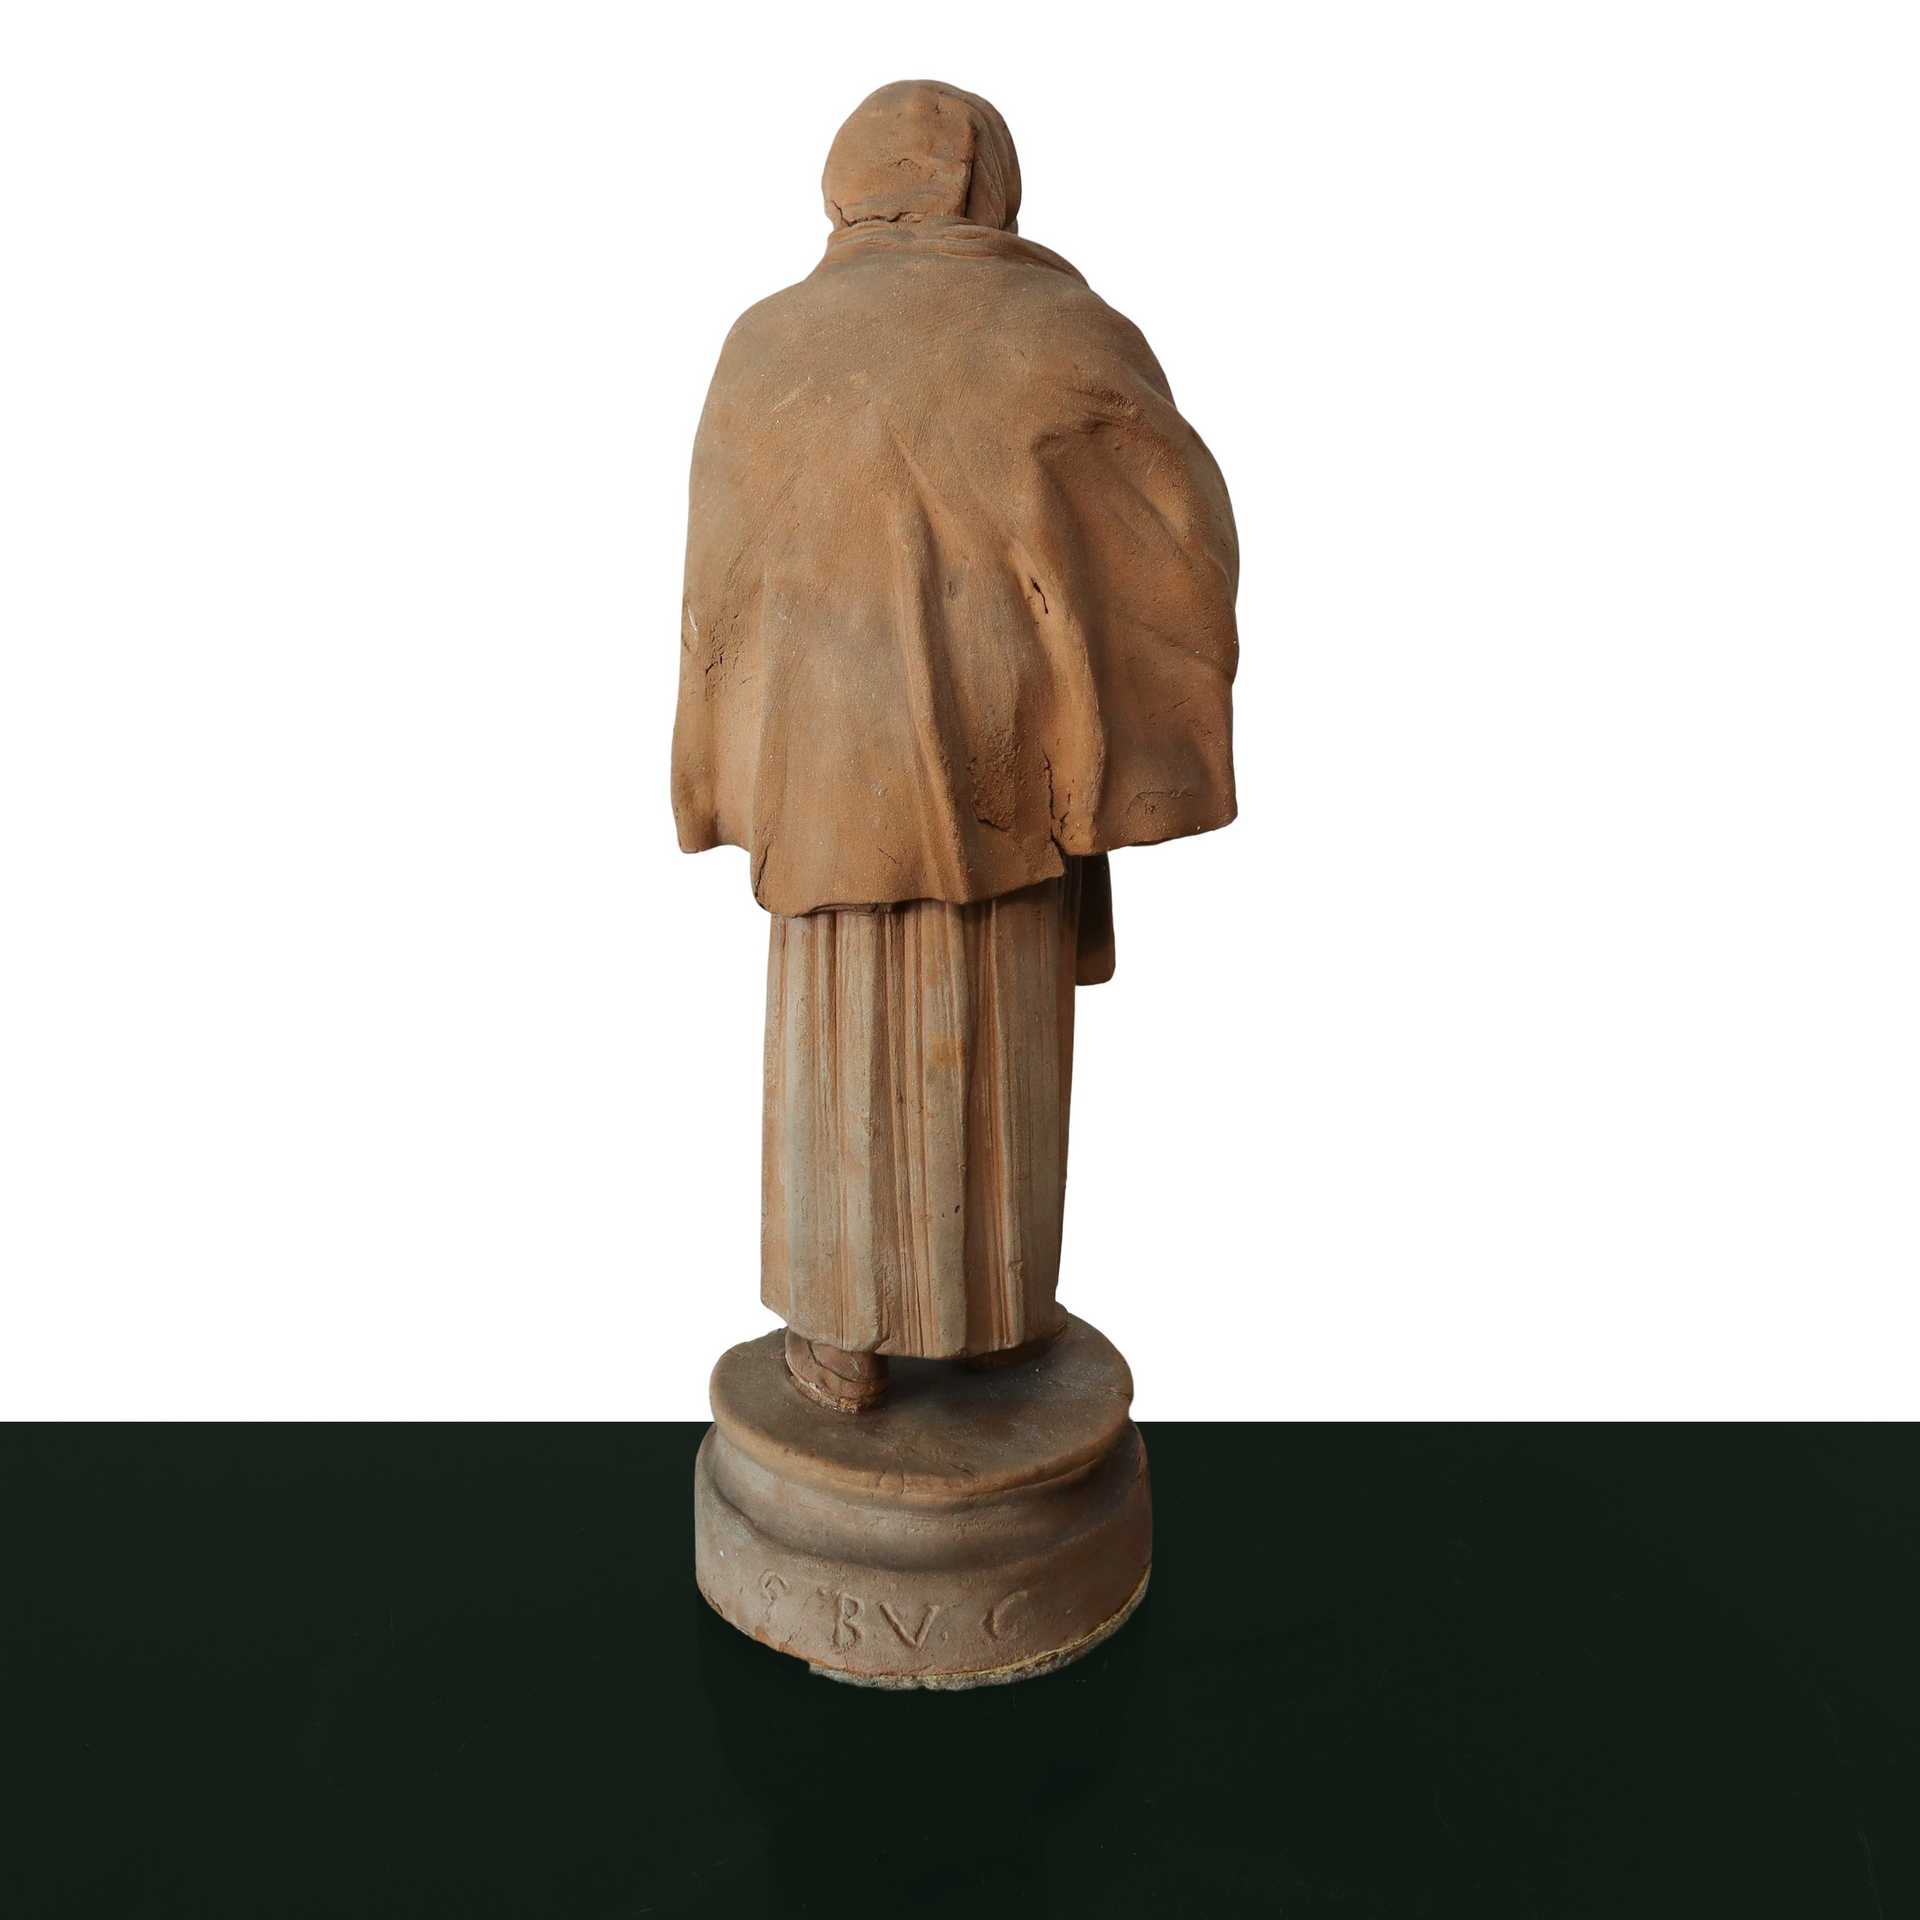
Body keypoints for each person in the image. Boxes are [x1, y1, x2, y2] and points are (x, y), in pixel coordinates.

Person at [672, 80, 1240, 1410]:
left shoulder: (767, 343)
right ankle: (992, 1313)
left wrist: (735, 759)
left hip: (827, 786)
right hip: (1006, 778)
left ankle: (843, 1331)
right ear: (983, 178)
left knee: (842, 1051)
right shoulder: (1065, 333)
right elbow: (1183, 525)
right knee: (995, 1045)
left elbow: (718, 596)